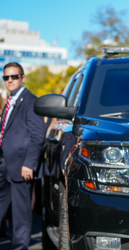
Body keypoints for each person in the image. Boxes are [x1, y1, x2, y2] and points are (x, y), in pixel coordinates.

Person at [0, 62, 45, 250]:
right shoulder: (9, 103)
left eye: (14, 76)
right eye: (6, 77)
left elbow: (38, 135)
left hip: (21, 168)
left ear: (22, 78)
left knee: (21, 215)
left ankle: (19, 248)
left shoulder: (31, 101)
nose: (10, 80)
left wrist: (29, 163)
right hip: (4, 166)